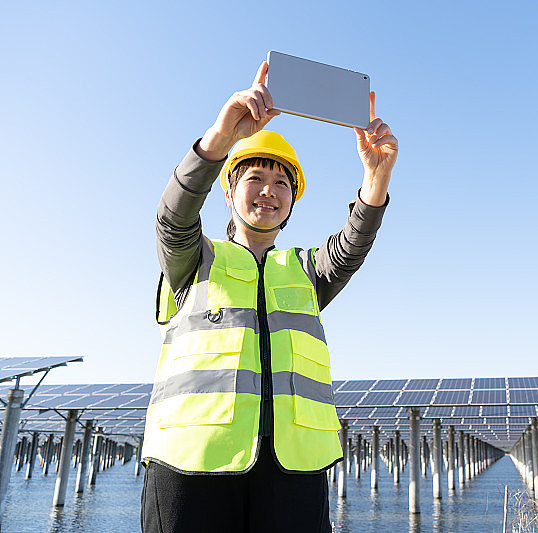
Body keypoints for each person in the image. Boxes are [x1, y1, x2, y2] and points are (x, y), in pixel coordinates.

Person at [140, 60, 398, 533]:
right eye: (254, 178)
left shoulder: (303, 270)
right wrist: (221, 139)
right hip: (191, 468)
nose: (269, 191)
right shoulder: (194, 260)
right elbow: (172, 219)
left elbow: (351, 247)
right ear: (229, 193)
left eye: (282, 183)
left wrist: (375, 180)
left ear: (293, 200)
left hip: (291, 473)